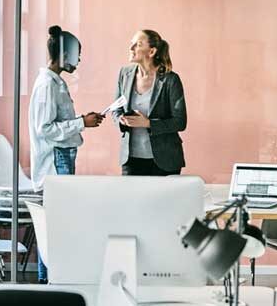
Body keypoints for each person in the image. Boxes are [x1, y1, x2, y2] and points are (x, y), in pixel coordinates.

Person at [28, 25, 103, 283]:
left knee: (58, 224)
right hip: (55, 161)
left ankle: (52, 281)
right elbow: (45, 129)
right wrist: (83, 122)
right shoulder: (47, 85)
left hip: (62, 157)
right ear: (65, 54)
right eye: (77, 54)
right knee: (55, 227)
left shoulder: (55, 82)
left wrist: (83, 121)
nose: (79, 60)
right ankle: (48, 283)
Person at [114, 29, 187, 176]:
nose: (131, 48)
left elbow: (180, 122)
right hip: (131, 160)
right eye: (131, 43)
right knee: (131, 199)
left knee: (163, 200)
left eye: (138, 44)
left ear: (151, 51)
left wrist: (148, 123)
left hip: (164, 160)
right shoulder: (124, 73)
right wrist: (121, 120)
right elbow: (116, 110)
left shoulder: (170, 80)